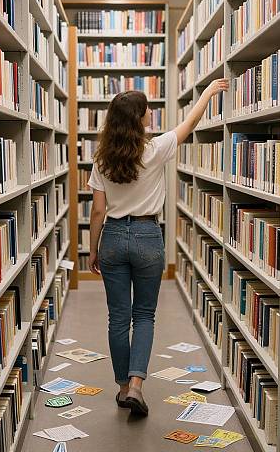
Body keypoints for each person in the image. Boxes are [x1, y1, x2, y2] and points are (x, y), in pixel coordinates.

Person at [87, 78, 229, 416]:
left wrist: (93, 250)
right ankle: (137, 384)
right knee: (144, 315)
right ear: (138, 118)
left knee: (118, 317)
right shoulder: (155, 149)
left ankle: (122, 388)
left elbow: (97, 210)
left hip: (113, 237)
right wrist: (207, 92)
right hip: (149, 236)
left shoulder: (102, 160)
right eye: (146, 109)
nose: (151, 112)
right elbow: (190, 123)